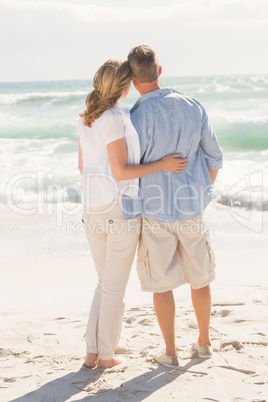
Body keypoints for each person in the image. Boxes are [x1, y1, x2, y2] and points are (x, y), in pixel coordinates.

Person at [78, 59, 188, 369]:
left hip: (92, 209)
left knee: (104, 283)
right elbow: (122, 171)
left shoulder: (87, 118)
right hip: (118, 209)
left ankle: (92, 352)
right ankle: (106, 356)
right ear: (125, 86)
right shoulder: (115, 118)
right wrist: (161, 164)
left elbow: (83, 167)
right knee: (113, 287)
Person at [122, 45, 223, 367]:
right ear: (159, 71)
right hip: (192, 207)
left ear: (132, 78)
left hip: (153, 211)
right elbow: (215, 157)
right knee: (200, 277)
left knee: (161, 282)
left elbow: (127, 172)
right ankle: (204, 343)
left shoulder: (133, 118)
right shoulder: (192, 105)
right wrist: (200, 190)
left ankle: (170, 351)